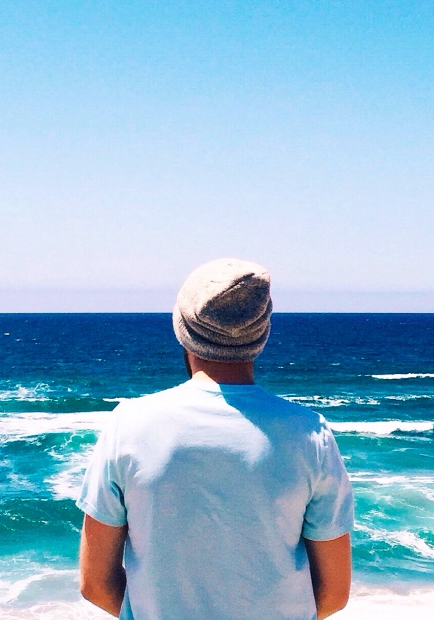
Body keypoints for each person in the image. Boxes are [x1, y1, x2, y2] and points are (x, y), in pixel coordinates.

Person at [76, 258, 354, 620]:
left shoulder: (128, 426)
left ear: (182, 331)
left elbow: (94, 583)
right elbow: (333, 594)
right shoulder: (309, 434)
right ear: (263, 334)